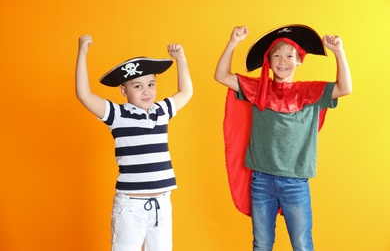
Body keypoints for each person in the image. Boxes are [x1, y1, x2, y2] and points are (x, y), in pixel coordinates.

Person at [214, 25, 352, 251]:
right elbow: (221, 76)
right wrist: (233, 43)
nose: (283, 60)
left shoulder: (311, 92)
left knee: (302, 245)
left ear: (299, 60)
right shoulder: (258, 89)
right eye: (276, 55)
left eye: (289, 55)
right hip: (261, 180)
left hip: (295, 181)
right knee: (261, 244)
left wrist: (339, 52)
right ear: (268, 60)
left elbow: (345, 88)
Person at [75, 34, 193, 251]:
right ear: (124, 90)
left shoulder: (162, 111)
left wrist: (181, 60)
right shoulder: (117, 114)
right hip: (130, 207)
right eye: (137, 86)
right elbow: (84, 95)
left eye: (150, 84)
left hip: (162, 204)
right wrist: (82, 52)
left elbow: (186, 92)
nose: (146, 91)